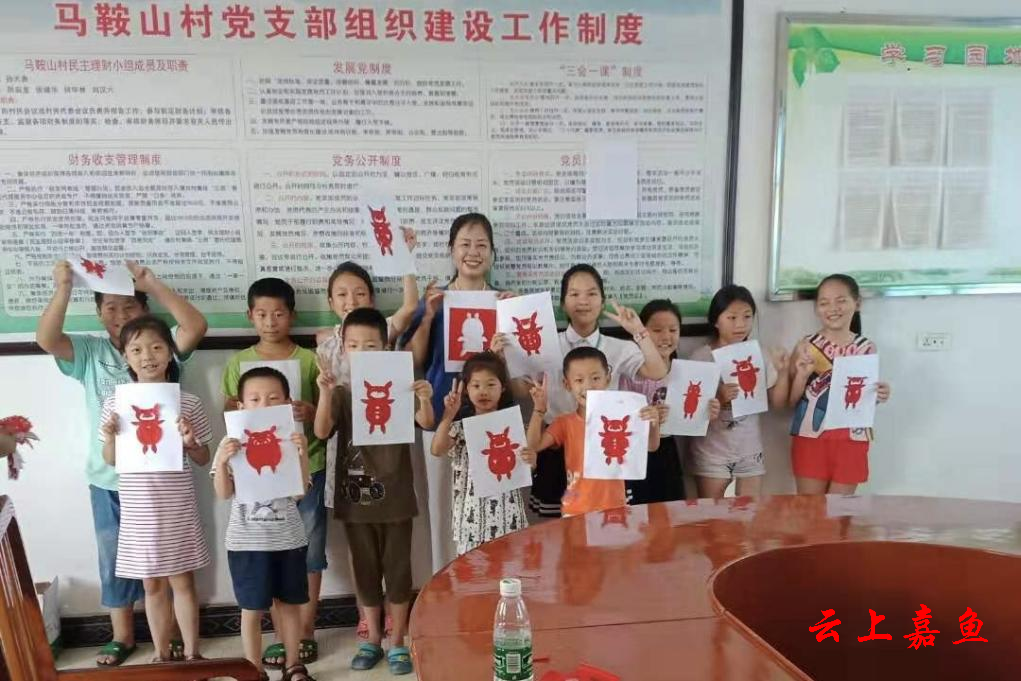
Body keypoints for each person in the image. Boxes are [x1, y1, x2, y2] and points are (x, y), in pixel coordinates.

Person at [35, 258, 207, 666]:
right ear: (98, 314)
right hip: (108, 478)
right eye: (109, 307)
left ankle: (180, 646)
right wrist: (64, 287)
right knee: (117, 560)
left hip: (166, 485)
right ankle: (123, 636)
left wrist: (152, 283)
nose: (119, 314)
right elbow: (46, 339)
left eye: (129, 305)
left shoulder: (166, 352)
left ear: (144, 309)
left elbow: (195, 326)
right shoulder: (90, 350)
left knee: (174, 572)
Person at [314, 307, 434, 676]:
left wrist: (424, 398)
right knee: (365, 571)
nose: (362, 352)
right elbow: (321, 431)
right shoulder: (341, 392)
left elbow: (426, 422)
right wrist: (324, 393)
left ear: (385, 347)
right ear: (343, 350)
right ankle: (371, 639)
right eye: (354, 346)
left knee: (398, 571)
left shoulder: (400, 387)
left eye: (371, 345)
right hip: (356, 498)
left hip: (396, 496)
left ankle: (397, 641)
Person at [221, 277, 325, 668]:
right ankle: (264, 660)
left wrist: (306, 417)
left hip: (305, 470)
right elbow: (230, 417)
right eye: (261, 314)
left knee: (305, 559)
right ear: (250, 316)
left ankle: (301, 641)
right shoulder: (237, 364)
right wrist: (227, 453)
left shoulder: (309, 359)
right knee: (256, 597)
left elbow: (322, 416)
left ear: (291, 315)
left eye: (278, 313)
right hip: (249, 512)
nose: (270, 321)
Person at [99, 315, 211, 662]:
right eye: (136, 350)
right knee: (151, 583)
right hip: (138, 507)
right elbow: (110, 459)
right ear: (125, 357)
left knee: (183, 580)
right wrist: (111, 436)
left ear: (170, 352)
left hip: (176, 504)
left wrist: (190, 440)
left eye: (156, 347)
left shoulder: (187, 402)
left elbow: (204, 458)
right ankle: (161, 655)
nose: (147, 356)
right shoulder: (114, 405)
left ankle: (192, 654)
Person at [529, 264, 668, 518]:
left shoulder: (619, 347)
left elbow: (657, 371)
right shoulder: (546, 346)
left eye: (591, 293)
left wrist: (639, 332)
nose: (583, 301)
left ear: (602, 302)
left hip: (607, 448)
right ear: (562, 303)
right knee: (554, 533)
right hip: (557, 444)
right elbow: (523, 387)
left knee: (609, 525)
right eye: (574, 294)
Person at [212, 366, 315, 681]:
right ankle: (253, 669)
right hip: (246, 543)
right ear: (241, 405)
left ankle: (294, 665)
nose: (264, 404)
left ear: (286, 402)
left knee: (289, 605)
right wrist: (222, 460)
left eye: (273, 398)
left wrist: (301, 454)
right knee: (251, 609)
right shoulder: (230, 442)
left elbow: (299, 492)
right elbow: (223, 493)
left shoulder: (292, 440)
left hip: (288, 540)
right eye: (255, 399)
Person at [526, 347, 665, 517]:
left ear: (608, 378)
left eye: (595, 378)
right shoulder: (564, 423)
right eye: (579, 380)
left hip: (616, 506)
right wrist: (539, 410)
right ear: (567, 384)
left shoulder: (623, 418)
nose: (588, 386)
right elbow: (533, 446)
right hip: (575, 509)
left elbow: (651, 446)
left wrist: (653, 424)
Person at [788, 274, 891, 494]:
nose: (832, 308)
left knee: (840, 511)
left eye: (841, 301)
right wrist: (801, 376)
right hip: (811, 436)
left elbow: (863, 400)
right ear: (816, 308)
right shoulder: (806, 345)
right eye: (824, 303)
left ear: (857, 303)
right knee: (811, 509)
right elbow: (791, 401)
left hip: (851, 438)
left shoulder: (866, 347)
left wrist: (879, 395)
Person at [403, 212, 512, 418]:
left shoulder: (505, 303)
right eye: (465, 244)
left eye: (481, 245)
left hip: (492, 417)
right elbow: (413, 361)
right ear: (452, 250)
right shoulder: (434, 299)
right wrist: (427, 317)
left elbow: (522, 368)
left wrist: (518, 313)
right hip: (441, 410)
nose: (473, 252)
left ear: (491, 253)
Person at [690, 285, 790, 500]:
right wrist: (719, 398)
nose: (740, 325)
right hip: (712, 454)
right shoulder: (701, 357)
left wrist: (782, 372)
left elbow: (778, 403)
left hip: (749, 451)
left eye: (747, 316)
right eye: (732, 317)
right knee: (713, 515)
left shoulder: (760, 354)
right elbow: (689, 416)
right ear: (716, 320)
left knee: (748, 515)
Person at [430, 351, 535, 555]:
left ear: (503, 387)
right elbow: (437, 449)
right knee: (473, 570)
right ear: (466, 389)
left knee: (510, 567)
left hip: (508, 517)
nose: (483, 391)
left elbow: (528, 463)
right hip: (471, 521)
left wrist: (531, 457)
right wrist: (449, 414)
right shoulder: (461, 427)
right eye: (476, 385)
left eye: (490, 384)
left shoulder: (514, 427)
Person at [619, 300, 720, 504]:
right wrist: (648, 417)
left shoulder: (685, 371)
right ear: (642, 331)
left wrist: (707, 413)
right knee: (637, 512)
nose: (666, 336)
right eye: (657, 330)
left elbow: (690, 420)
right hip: (636, 450)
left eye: (673, 330)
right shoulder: (631, 371)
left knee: (671, 510)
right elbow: (621, 413)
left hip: (668, 450)